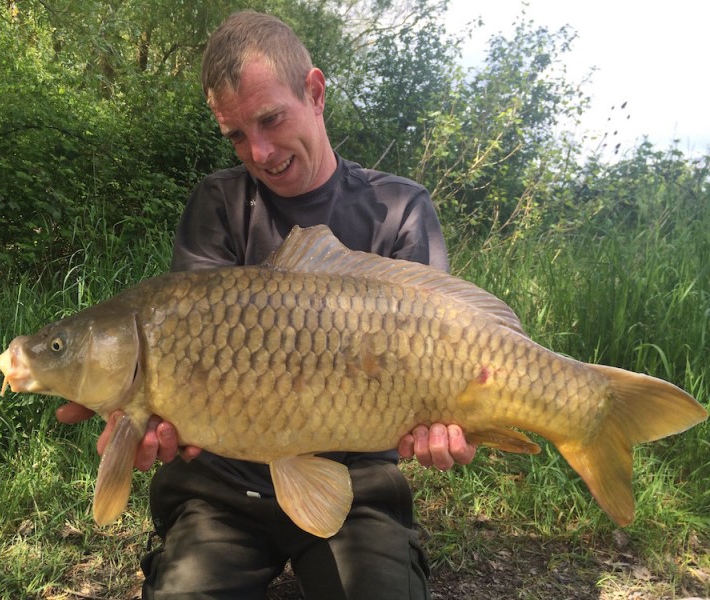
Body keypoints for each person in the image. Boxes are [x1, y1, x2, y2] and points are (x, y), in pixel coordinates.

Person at [57, 11, 476, 599]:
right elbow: (189, 357)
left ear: (316, 92)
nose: (258, 150)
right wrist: (141, 417)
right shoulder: (219, 204)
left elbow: (446, 361)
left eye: (271, 119)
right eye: (234, 134)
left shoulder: (398, 208)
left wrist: (453, 424)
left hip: (356, 481)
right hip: (220, 486)